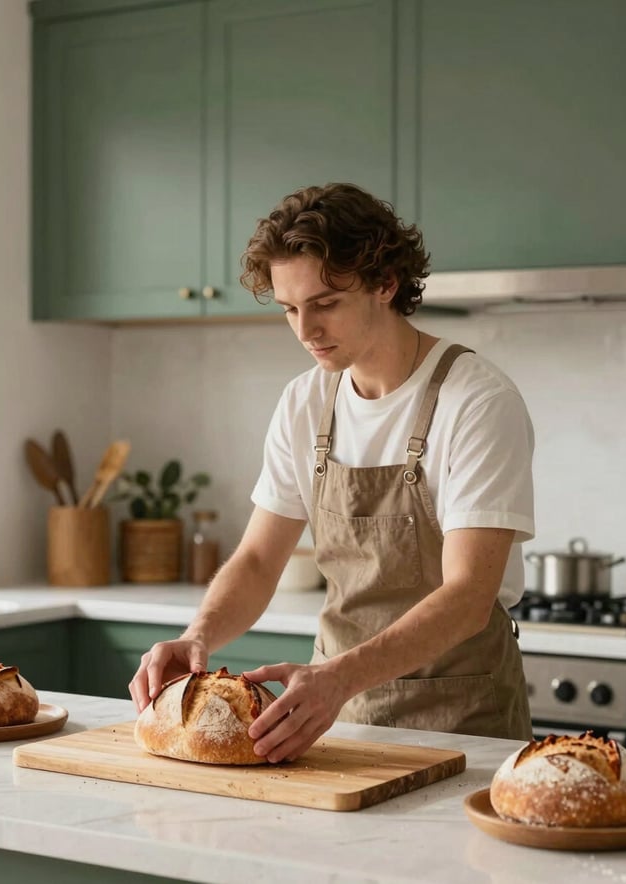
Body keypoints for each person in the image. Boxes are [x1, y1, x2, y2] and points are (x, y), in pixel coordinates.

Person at [130, 182, 535, 762]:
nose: (305, 330)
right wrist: (199, 635)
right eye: (290, 309)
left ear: (385, 284)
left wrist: (341, 677)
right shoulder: (304, 402)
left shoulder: (476, 400)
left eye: (324, 303)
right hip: (333, 719)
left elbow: (469, 595)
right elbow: (258, 559)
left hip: (464, 722)